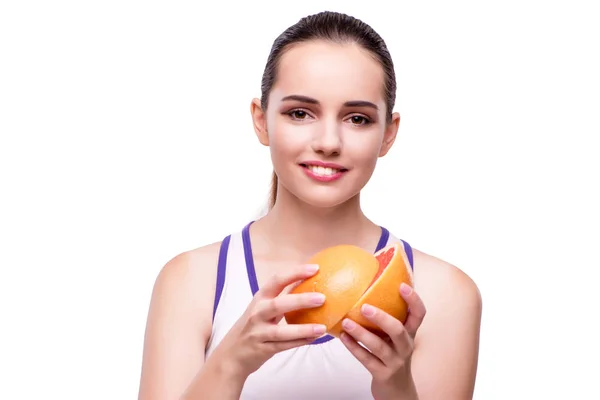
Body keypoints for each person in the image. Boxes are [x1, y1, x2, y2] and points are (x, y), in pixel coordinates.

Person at [138, 10, 482, 400]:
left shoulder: (444, 294)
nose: (329, 141)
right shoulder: (191, 281)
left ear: (389, 134)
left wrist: (395, 385)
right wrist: (231, 362)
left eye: (357, 118)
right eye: (300, 113)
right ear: (261, 120)